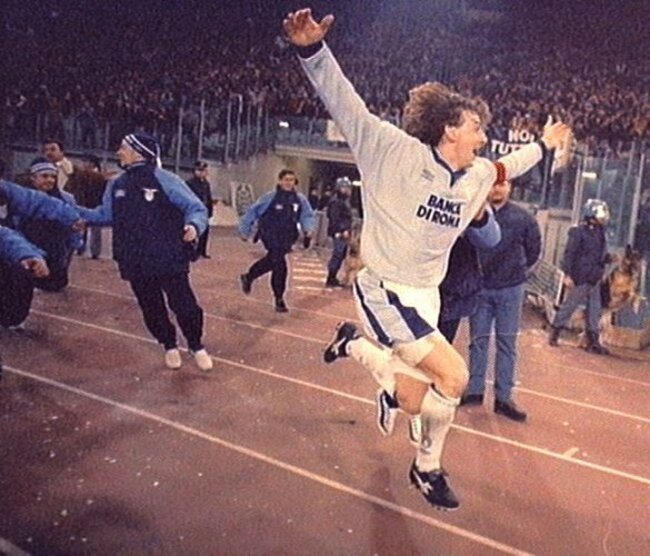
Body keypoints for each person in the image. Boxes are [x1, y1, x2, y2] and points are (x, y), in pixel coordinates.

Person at [284, 8, 570, 510]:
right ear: (449, 129)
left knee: (415, 400)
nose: (484, 136)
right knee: (455, 377)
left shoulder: (478, 176)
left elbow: (511, 164)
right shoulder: (392, 152)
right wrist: (312, 50)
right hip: (384, 289)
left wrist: (546, 145)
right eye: (476, 127)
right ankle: (427, 469)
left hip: (426, 297)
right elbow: (346, 105)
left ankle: (354, 345)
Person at [76, 132, 213, 371]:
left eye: (123, 148)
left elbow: (196, 208)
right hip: (134, 258)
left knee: (185, 305)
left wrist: (193, 226)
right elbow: (105, 215)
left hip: (168, 256)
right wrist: (73, 212)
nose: (118, 152)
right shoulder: (116, 184)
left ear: (138, 152)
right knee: (151, 307)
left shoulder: (165, 179)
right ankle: (169, 344)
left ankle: (195, 344)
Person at [464, 180, 542, 422]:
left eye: (502, 184)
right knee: (478, 341)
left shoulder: (524, 218)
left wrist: (516, 273)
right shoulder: (474, 213)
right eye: (493, 185)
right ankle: (474, 391)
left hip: (511, 290)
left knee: (507, 344)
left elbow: (534, 251)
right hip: (481, 288)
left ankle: (503, 398)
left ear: (509, 187)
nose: (497, 189)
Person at [239, 169, 315, 313]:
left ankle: (249, 276)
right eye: (286, 180)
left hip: (287, 237)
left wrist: (308, 229)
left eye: (291, 180)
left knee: (274, 261)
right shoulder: (269, 197)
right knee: (280, 263)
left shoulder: (299, 199)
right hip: (270, 234)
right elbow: (252, 212)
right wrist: (245, 230)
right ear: (280, 181)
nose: (289, 183)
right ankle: (279, 299)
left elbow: (307, 215)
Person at [549, 199, 612, 355]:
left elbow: (599, 254)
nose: (603, 217)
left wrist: (608, 259)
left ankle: (593, 341)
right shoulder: (578, 231)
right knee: (570, 305)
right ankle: (555, 332)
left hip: (595, 276)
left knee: (594, 309)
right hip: (581, 276)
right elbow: (569, 254)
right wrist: (567, 274)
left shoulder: (600, 232)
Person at [14, 159, 82, 292]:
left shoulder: (66, 199)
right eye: (45, 176)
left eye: (53, 177)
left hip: (56, 256)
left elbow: (74, 226)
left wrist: (74, 244)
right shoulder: (20, 198)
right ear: (33, 178)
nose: (50, 180)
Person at [65, 154, 108, 259]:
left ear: (93, 164)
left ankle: (94, 251)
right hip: (85, 203)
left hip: (95, 204)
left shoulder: (100, 177)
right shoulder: (81, 175)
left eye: (86, 162)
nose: (84, 164)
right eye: (84, 162)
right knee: (82, 227)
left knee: (95, 229)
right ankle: (82, 248)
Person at [325, 176, 353, 287]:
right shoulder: (336, 201)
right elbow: (334, 218)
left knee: (341, 254)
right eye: (344, 187)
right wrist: (341, 230)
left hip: (344, 231)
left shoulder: (344, 201)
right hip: (339, 232)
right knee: (338, 253)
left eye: (347, 188)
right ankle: (331, 277)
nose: (346, 190)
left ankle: (334, 276)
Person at [186, 160, 215, 259]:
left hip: (204, 211)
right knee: (193, 231)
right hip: (194, 211)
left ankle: (202, 250)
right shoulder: (190, 183)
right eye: (200, 170)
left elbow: (209, 197)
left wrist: (210, 211)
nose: (202, 173)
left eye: (204, 170)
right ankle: (192, 252)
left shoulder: (206, 183)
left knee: (205, 232)